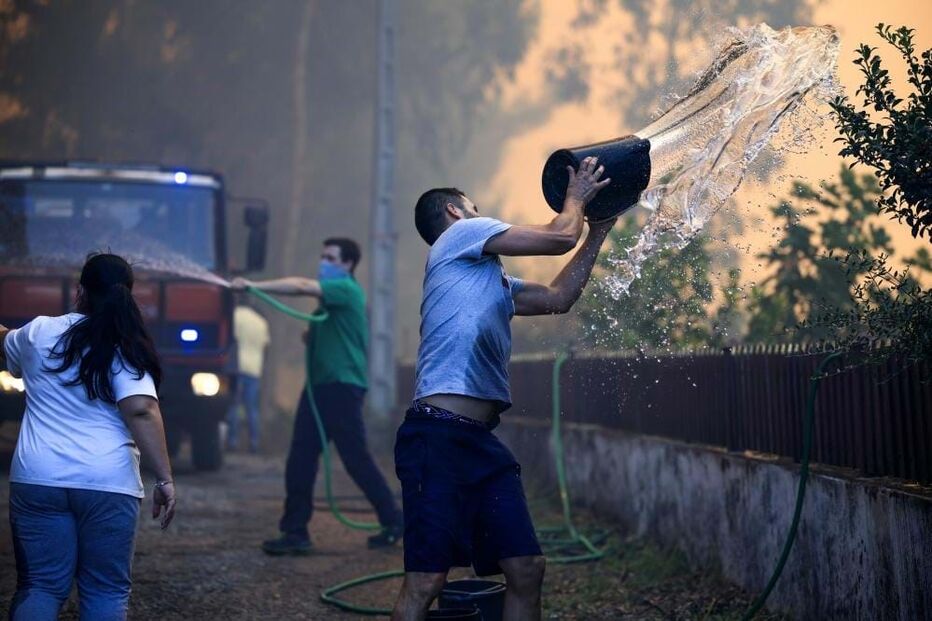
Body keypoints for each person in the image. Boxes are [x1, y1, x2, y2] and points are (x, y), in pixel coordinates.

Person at [392, 156, 615, 621]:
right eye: (475, 206)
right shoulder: (462, 235)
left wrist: (598, 231)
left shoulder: (488, 277)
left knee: (527, 568)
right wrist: (577, 198)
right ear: (455, 211)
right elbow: (558, 236)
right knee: (427, 580)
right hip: (435, 438)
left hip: (477, 442)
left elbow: (557, 298)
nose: (483, 213)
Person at [0, 252, 176, 621]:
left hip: (38, 478)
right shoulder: (126, 345)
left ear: (80, 290)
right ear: (129, 294)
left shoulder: (39, 332)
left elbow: (4, 343)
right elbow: (142, 409)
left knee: (41, 586)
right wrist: (164, 478)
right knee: (105, 591)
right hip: (108, 484)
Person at [231, 237, 403, 554]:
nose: (323, 262)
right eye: (322, 256)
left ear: (347, 264)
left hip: (341, 387)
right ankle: (295, 531)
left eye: (330, 257)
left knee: (355, 459)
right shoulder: (331, 303)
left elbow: (300, 286)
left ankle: (393, 518)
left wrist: (253, 286)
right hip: (320, 388)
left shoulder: (346, 290)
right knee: (301, 458)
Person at [226, 297, 270, 453]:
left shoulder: (233, 316)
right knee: (252, 408)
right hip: (254, 369)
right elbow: (265, 346)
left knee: (234, 405)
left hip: (236, 367)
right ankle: (254, 442)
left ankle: (232, 441)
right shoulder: (261, 322)